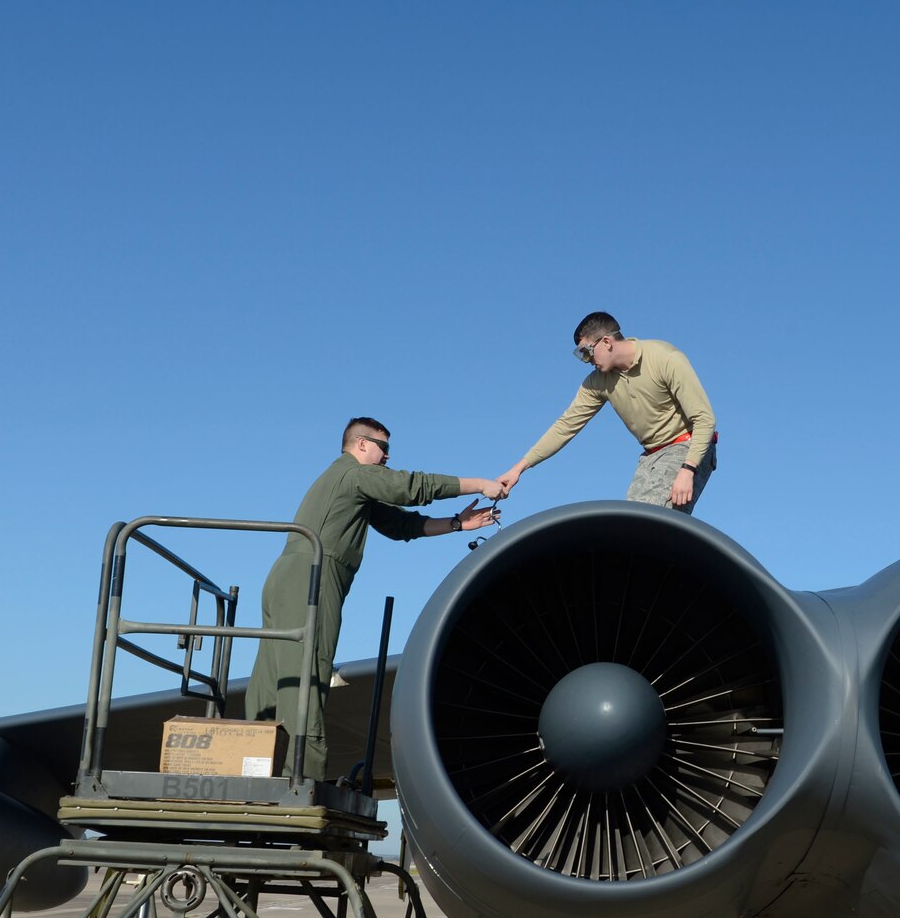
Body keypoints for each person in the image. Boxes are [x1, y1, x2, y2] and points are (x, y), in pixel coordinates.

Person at [247, 417, 504, 781]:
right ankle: (302, 780)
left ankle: (248, 766)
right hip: (313, 578)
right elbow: (409, 487)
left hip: (287, 577)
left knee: (273, 679)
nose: (387, 457)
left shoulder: (351, 487)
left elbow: (402, 526)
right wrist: (481, 484)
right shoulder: (353, 473)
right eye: (384, 448)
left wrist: (458, 524)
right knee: (309, 673)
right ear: (362, 445)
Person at [497, 312, 719, 512]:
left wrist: (688, 469)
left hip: (688, 447)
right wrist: (518, 469)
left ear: (606, 342)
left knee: (649, 527)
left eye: (586, 352)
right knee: (628, 529)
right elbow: (565, 427)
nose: (586, 361)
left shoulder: (665, 358)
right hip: (651, 457)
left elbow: (704, 419)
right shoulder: (598, 382)